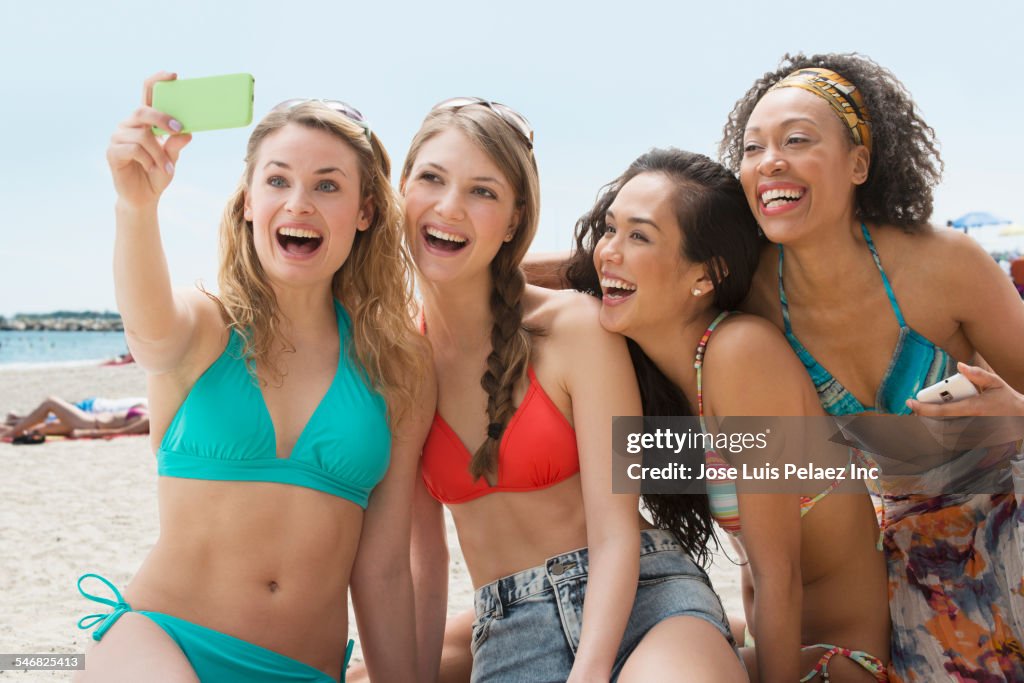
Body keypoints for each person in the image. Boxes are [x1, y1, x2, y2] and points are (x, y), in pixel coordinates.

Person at [74, 74, 433, 682]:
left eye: (327, 185)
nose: (298, 202)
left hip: (305, 670)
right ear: (248, 201)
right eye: (277, 180)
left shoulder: (398, 366)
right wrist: (136, 206)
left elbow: (383, 569)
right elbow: (149, 334)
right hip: (161, 644)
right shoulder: (204, 323)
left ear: (365, 210)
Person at [403, 99, 744, 683]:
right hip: (508, 628)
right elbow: (421, 560)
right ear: (401, 189)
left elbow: (613, 534)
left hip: (643, 598)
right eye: (431, 178)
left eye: (483, 191)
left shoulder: (578, 328)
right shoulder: (395, 359)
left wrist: (587, 674)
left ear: (514, 220)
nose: (449, 206)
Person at [720, 53, 1024, 681]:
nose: (770, 160)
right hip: (904, 568)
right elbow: (628, 273)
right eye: (752, 148)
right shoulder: (747, 298)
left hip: (1008, 518)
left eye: (797, 140)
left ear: (859, 162)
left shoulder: (945, 264)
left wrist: (1016, 414)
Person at [565, 147, 890, 682]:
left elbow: (777, 574)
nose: (609, 253)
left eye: (639, 236)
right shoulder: (661, 376)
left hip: (842, 662)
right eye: (609, 229)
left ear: (706, 275)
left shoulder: (740, 353)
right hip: (777, 641)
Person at [1, 395, 149, 441]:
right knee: (36, 428)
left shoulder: (149, 420)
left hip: (89, 424)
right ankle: (9, 430)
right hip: (89, 420)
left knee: (50, 402)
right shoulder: (151, 412)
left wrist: (88, 434)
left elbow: (122, 431)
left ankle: (10, 433)